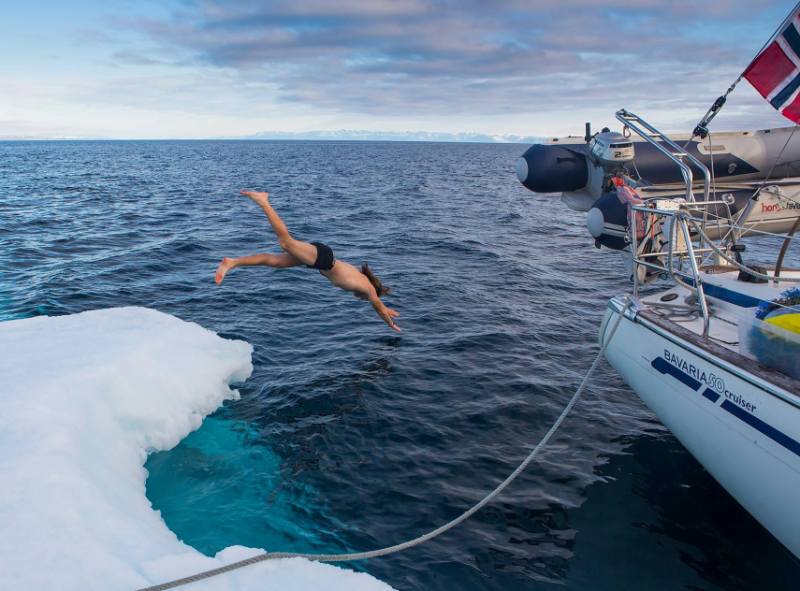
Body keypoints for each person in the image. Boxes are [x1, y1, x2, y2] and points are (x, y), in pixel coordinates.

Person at [215, 190, 401, 332]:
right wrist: (390, 322)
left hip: (321, 259)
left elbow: (379, 304)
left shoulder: (363, 280)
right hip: (323, 259)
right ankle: (263, 201)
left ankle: (232, 262)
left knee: (275, 262)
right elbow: (377, 306)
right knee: (285, 242)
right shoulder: (368, 290)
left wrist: (385, 308)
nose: (361, 299)